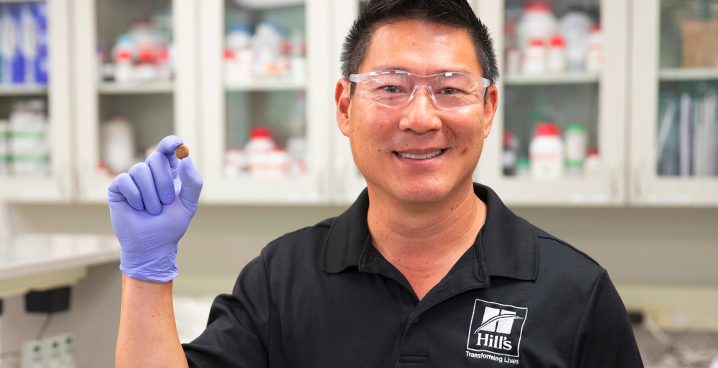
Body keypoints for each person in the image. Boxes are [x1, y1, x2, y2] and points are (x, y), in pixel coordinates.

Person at [111, 0, 644, 366]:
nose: (419, 118)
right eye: (391, 86)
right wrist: (147, 271)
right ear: (345, 107)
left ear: (488, 110)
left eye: (450, 89)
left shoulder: (574, 293)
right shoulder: (282, 279)